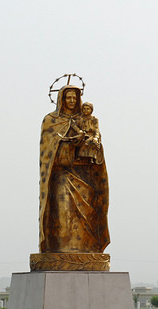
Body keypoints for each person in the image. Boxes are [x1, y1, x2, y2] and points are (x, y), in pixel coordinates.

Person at [38, 85, 110, 254]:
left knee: (87, 214)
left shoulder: (87, 119)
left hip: (84, 174)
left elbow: (96, 143)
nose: (71, 101)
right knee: (63, 212)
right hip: (62, 175)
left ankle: (88, 250)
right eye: (68, 98)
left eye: (74, 98)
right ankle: (61, 250)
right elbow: (48, 152)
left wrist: (92, 143)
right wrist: (69, 144)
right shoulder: (51, 121)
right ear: (61, 99)